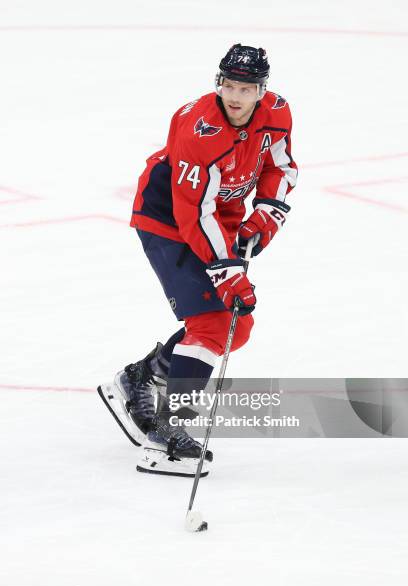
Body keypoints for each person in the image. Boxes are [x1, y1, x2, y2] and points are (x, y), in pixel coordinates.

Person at [98, 43, 298, 477]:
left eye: (246, 87)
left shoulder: (278, 113)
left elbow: (279, 168)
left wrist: (267, 213)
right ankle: (166, 436)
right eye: (229, 84)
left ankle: (140, 378)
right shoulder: (199, 128)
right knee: (213, 323)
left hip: (215, 221)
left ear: (262, 90)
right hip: (167, 220)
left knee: (234, 326)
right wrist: (227, 273)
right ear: (219, 83)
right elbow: (194, 213)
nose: (236, 95)